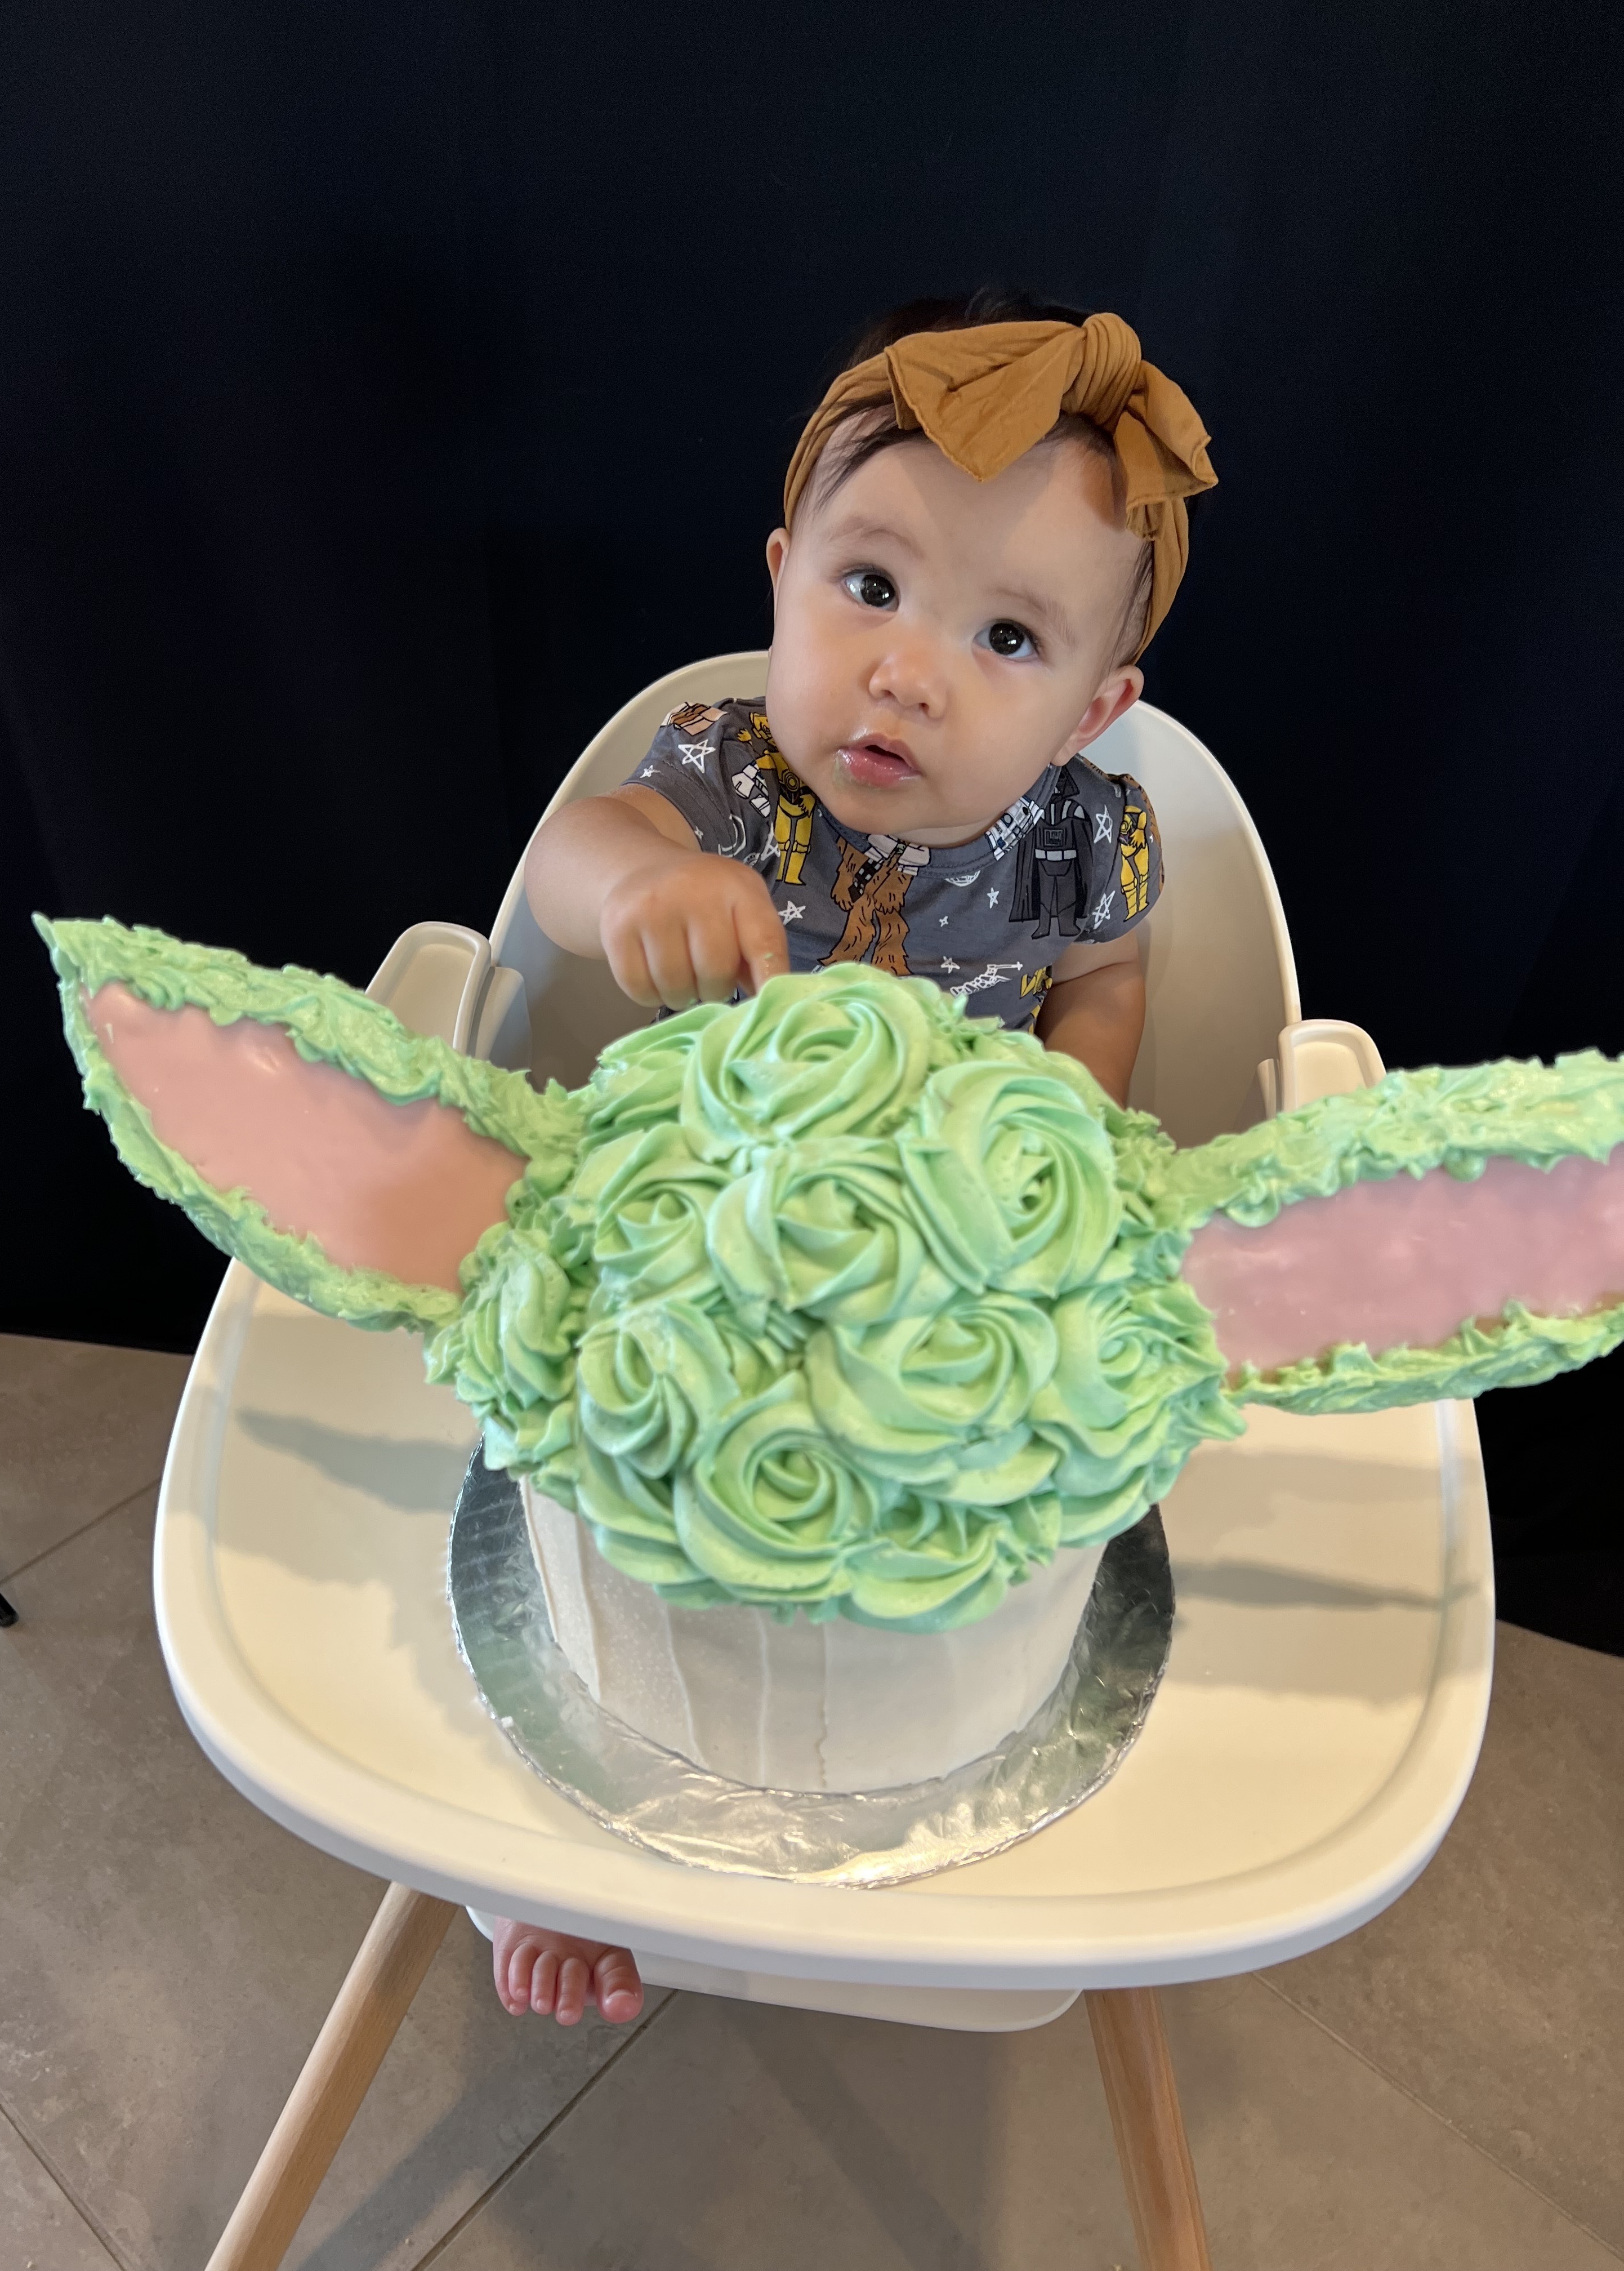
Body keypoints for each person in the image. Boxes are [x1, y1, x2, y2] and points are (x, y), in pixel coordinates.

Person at [493, 287, 1216, 2027]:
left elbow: (1106, 981)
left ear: (1096, 707)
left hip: (955, 1267)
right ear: (780, 577)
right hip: (718, 1241)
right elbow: (572, 850)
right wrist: (636, 882)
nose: (908, 671)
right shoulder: (734, 780)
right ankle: (554, 1845)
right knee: (580, 1504)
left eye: (1008, 639)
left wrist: (1078, 1108)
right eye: (870, 588)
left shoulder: (1084, 842)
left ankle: (931, 1769)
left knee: (998, 1537)